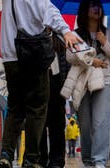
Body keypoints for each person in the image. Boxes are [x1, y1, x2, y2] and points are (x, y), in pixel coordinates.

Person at [0, 0, 82, 168]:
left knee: (15, 107)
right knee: (37, 108)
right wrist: (66, 31)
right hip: (33, 58)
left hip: (11, 58)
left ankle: (6, 154)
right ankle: (31, 159)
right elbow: (50, 13)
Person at [67, 0, 110, 168]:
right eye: (92, 5)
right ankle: (88, 160)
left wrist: (105, 43)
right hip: (82, 82)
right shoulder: (75, 35)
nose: (96, 8)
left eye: (99, 5)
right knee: (86, 123)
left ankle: (99, 160)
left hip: (105, 80)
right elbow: (69, 57)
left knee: (101, 121)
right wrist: (91, 61)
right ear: (84, 10)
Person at [39, 35, 71, 168]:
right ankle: (41, 158)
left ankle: (57, 160)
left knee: (57, 125)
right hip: (40, 83)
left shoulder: (61, 40)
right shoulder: (36, 37)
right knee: (39, 123)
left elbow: (67, 64)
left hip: (57, 84)